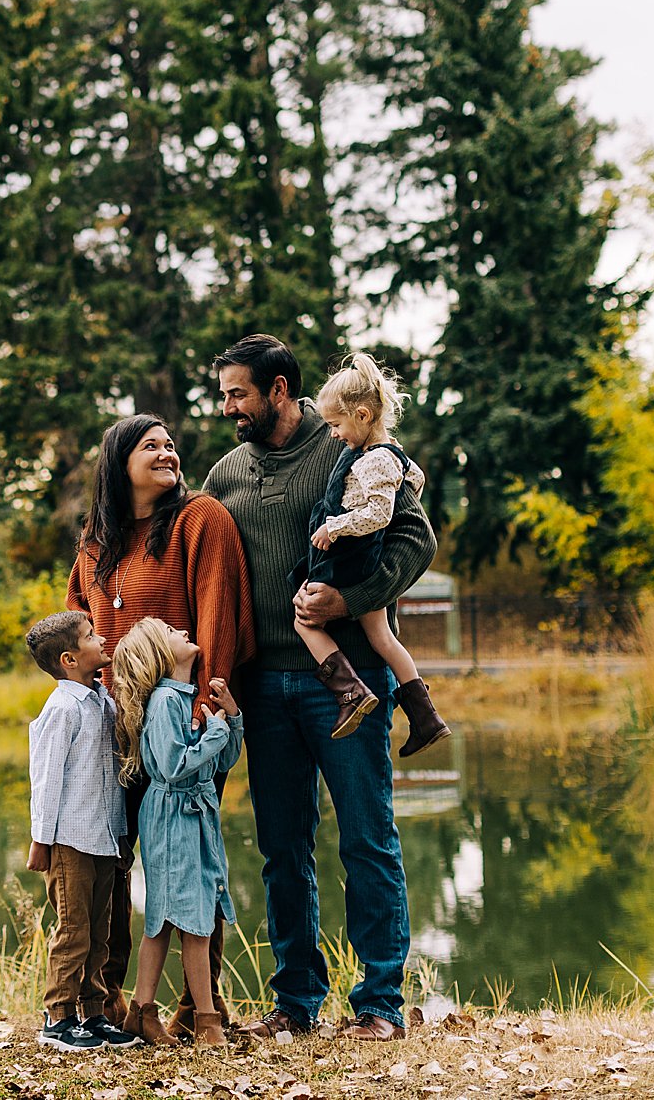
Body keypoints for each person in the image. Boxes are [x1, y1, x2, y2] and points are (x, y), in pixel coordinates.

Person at [203, 334, 436, 1043]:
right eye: (223, 395)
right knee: (282, 848)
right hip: (264, 687)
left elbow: (414, 540)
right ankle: (297, 1001)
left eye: (238, 394)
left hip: (348, 681)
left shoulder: (350, 446)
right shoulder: (226, 475)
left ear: (279, 391)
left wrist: (351, 598)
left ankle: (379, 1004)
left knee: (367, 839)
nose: (228, 408)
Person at [64, 413, 254, 1034]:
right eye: (151, 446)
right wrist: (85, 701)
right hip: (113, 730)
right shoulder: (97, 540)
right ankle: (110, 1002)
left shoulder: (201, 520)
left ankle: (201, 1008)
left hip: (178, 726)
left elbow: (216, 617)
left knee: (193, 861)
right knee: (112, 863)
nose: (168, 453)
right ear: (119, 463)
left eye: (171, 445)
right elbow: (77, 618)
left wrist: (204, 717)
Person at [296, 353, 451, 756]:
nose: (332, 435)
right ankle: (425, 716)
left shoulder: (373, 460)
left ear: (363, 415)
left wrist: (336, 526)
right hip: (361, 556)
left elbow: (379, 514)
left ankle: (350, 694)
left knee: (303, 619)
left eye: (335, 425)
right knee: (383, 637)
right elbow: (414, 478)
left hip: (349, 557)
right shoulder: (392, 453)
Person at [108, 617, 244, 1049]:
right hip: (173, 817)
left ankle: (141, 1013)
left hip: (192, 816)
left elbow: (222, 762)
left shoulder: (182, 699)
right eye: (171, 632)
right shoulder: (166, 701)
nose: (183, 632)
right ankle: (207, 1022)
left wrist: (231, 717)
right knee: (195, 921)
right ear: (160, 656)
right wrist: (216, 732)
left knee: (166, 919)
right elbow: (172, 767)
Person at [24, 610, 143, 1052]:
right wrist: (41, 840)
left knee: (100, 933)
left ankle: (93, 1015)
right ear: (71, 659)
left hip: (104, 835)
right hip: (70, 840)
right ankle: (58, 1018)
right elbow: (47, 778)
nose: (102, 638)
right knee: (73, 931)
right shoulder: (61, 709)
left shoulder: (103, 701)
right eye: (92, 636)